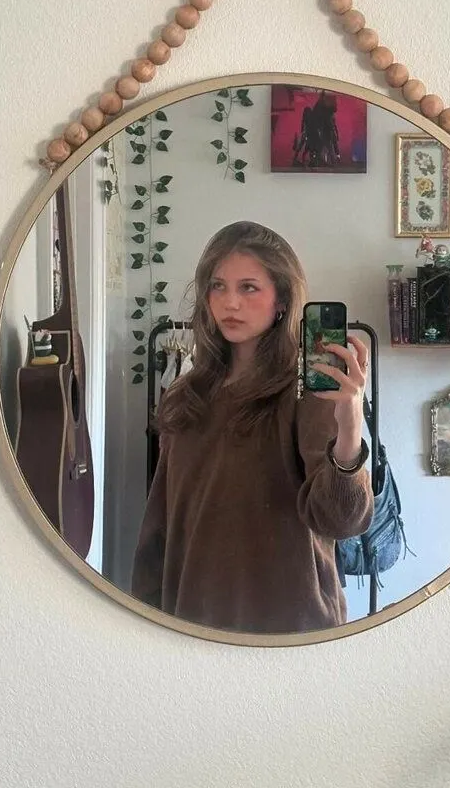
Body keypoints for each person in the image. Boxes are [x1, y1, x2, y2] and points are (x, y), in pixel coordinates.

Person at [131, 220, 373, 634]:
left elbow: (340, 521)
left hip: (289, 629)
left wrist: (350, 426)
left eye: (248, 288)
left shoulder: (307, 393)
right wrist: (142, 617)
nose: (230, 303)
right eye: (218, 286)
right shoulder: (186, 395)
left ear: (282, 300)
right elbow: (160, 520)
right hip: (191, 620)